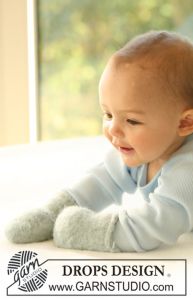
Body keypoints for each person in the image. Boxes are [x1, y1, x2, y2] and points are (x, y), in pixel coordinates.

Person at [5, 30, 193, 252]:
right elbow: (102, 181)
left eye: (132, 120)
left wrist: (90, 230)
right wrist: (51, 213)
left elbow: (151, 229)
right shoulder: (149, 146)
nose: (113, 129)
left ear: (185, 123)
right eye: (108, 114)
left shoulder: (186, 171)